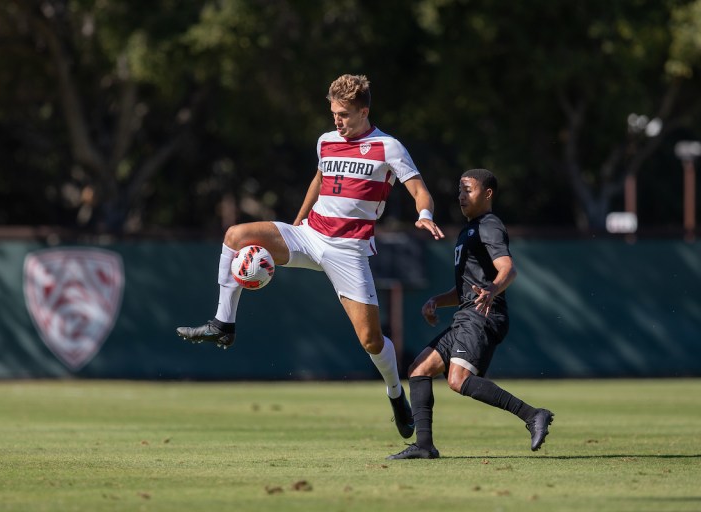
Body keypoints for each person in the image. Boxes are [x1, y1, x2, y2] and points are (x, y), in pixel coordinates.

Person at [176, 74, 445, 439]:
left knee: (370, 340)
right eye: (334, 112)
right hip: (309, 234)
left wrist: (424, 215)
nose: (337, 120)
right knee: (235, 236)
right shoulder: (326, 141)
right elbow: (319, 180)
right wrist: (298, 221)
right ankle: (223, 324)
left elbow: (420, 191)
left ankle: (395, 393)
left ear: (364, 111)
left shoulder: (388, 147)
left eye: (345, 114)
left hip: (348, 250)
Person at [387, 168, 554, 460]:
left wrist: (492, 290)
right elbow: (468, 289)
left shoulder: (489, 225)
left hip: (483, 315)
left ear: (487, 194)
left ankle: (533, 415)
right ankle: (424, 446)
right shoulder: (469, 229)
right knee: (418, 369)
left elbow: (508, 269)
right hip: (468, 314)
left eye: (469, 190)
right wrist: (438, 300)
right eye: (460, 190)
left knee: (458, 379)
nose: (462, 196)